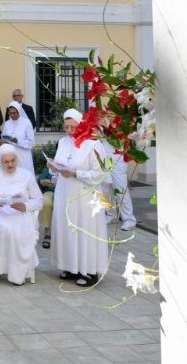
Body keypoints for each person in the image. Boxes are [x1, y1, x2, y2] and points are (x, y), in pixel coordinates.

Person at [50, 109, 109, 287]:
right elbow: (61, 165)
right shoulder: (62, 142)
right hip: (64, 193)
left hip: (85, 196)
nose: (69, 131)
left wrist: (75, 173)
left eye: (73, 127)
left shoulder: (93, 145)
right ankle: (70, 266)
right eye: (66, 127)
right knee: (67, 228)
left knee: (84, 229)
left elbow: (100, 174)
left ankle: (89, 270)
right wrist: (53, 167)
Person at [0, 143, 43, 285]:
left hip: (19, 214)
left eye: (13, 161)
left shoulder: (26, 175)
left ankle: (16, 271)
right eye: (6, 161)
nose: (10, 164)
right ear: (0, 161)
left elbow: (38, 200)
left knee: (12, 230)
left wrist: (25, 206)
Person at [102, 142, 136, 231]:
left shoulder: (120, 128)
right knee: (105, 191)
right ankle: (111, 215)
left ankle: (129, 220)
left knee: (121, 191)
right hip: (103, 158)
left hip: (117, 158)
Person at [1, 101, 36, 173]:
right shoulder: (7, 123)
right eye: (10, 113)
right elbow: (3, 137)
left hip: (23, 155)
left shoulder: (26, 122)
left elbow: (31, 142)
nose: (12, 115)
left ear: (19, 112)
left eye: (14, 113)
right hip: (10, 154)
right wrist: (5, 138)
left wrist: (18, 141)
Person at [36, 163, 57, 248]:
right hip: (50, 191)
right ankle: (47, 231)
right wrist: (42, 182)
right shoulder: (49, 169)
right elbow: (40, 179)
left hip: (66, 193)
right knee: (46, 202)